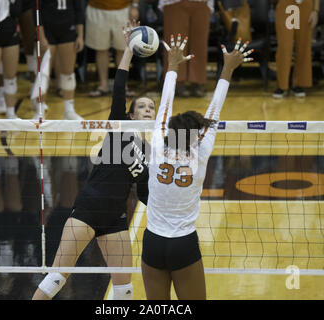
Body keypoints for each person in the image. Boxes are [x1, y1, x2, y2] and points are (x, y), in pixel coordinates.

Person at [32, 20, 155, 300]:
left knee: (124, 288)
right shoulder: (119, 125)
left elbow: (146, 195)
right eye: (142, 107)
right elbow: (120, 86)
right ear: (131, 115)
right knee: (56, 277)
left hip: (115, 217)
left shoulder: (150, 154)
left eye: (152, 107)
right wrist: (128, 51)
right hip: (88, 209)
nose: (147, 110)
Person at [141, 35, 253, 299]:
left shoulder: (157, 144)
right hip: (184, 245)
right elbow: (215, 109)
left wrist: (173, 64)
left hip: (153, 242)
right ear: (196, 136)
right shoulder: (200, 152)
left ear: (169, 130)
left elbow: (165, 103)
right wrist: (227, 68)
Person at [32, 0, 84, 120]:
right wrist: (41, 36)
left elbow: (79, 11)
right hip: (47, 31)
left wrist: (80, 36)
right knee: (43, 72)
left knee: (68, 72)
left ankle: (69, 110)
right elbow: (37, 11)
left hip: (68, 30)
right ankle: (39, 111)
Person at [158, 0, 214, 97]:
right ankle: (176, 81)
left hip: (202, 3)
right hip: (174, 3)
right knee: (175, 43)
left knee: (199, 44)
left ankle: (198, 81)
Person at [86, 0, 139, 97]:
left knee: (123, 49)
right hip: (96, 8)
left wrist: (135, 6)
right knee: (101, 49)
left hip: (123, 8)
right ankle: (103, 85)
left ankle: (122, 86)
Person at [273, 0, 320, 98]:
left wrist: (315, 11)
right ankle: (282, 85)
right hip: (286, 5)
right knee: (285, 46)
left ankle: (298, 84)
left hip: (306, 5)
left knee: (303, 46)